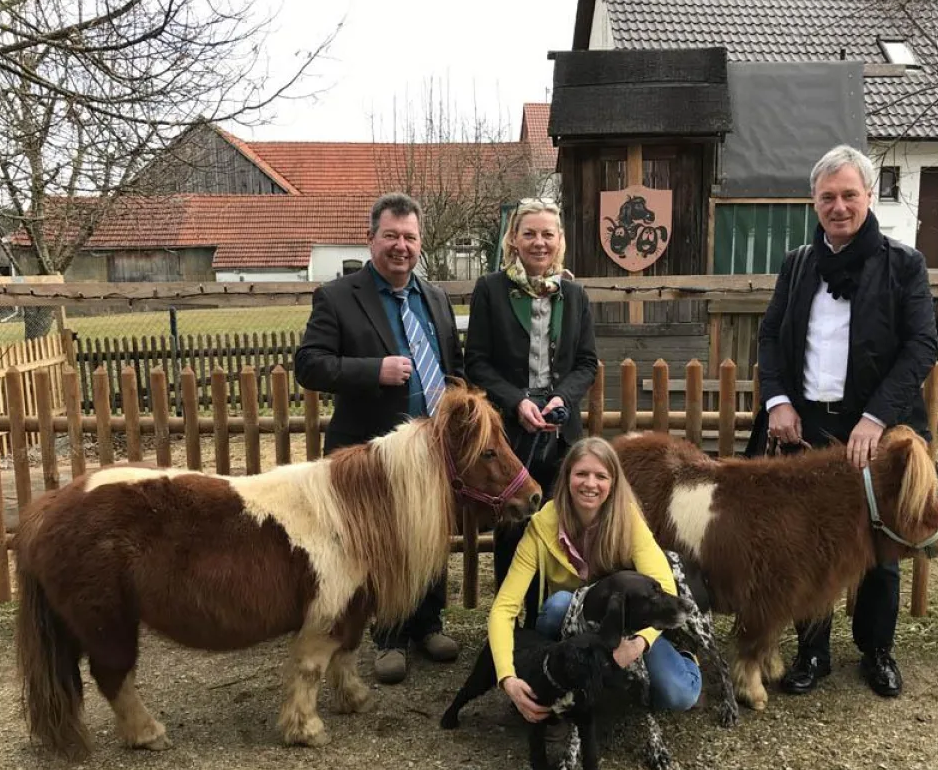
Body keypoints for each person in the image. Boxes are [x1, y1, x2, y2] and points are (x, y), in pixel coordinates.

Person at [746, 145, 938, 699]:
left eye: (849, 195)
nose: (838, 206)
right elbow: (769, 337)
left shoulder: (905, 265)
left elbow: (922, 344)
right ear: (814, 201)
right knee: (809, 543)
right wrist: (777, 399)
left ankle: (877, 652)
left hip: (878, 428)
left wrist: (876, 416)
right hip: (808, 426)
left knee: (880, 544)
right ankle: (813, 653)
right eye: (827, 197)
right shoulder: (799, 263)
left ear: (869, 196)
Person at [294, 192, 463, 685]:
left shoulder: (433, 297)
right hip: (371, 451)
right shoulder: (338, 296)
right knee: (381, 541)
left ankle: (428, 624)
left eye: (410, 237)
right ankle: (388, 636)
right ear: (371, 239)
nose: (400, 246)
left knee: (429, 534)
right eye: (390, 235)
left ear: (420, 243)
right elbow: (309, 366)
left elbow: (452, 364)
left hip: (430, 449)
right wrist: (375, 370)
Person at [488, 437, 701, 721]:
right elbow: (504, 608)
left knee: (679, 694)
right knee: (557, 605)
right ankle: (562, 680)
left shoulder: (628, 520)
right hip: (570, 625)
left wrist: (638, 643)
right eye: (581, 474)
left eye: (601, 476)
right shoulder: (541, 527)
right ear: (566, 478)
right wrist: (508, 677)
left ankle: (685, 658)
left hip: (626, 623)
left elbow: (663, 583)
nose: (590, 483)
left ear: (613, 483)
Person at [464, 198, 599, 624]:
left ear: (559, 241)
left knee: (563, 524)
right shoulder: (491, 290)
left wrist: (562, 398)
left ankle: (552, 617)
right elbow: (478, 361)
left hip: (560, 429)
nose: (539, 242)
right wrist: (516, 401)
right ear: (514, 240)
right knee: (513, 526)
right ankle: (510, 621)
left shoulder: (574, 294)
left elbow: (586, 362)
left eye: (547, 234)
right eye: (530, 233)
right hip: (510, 430)